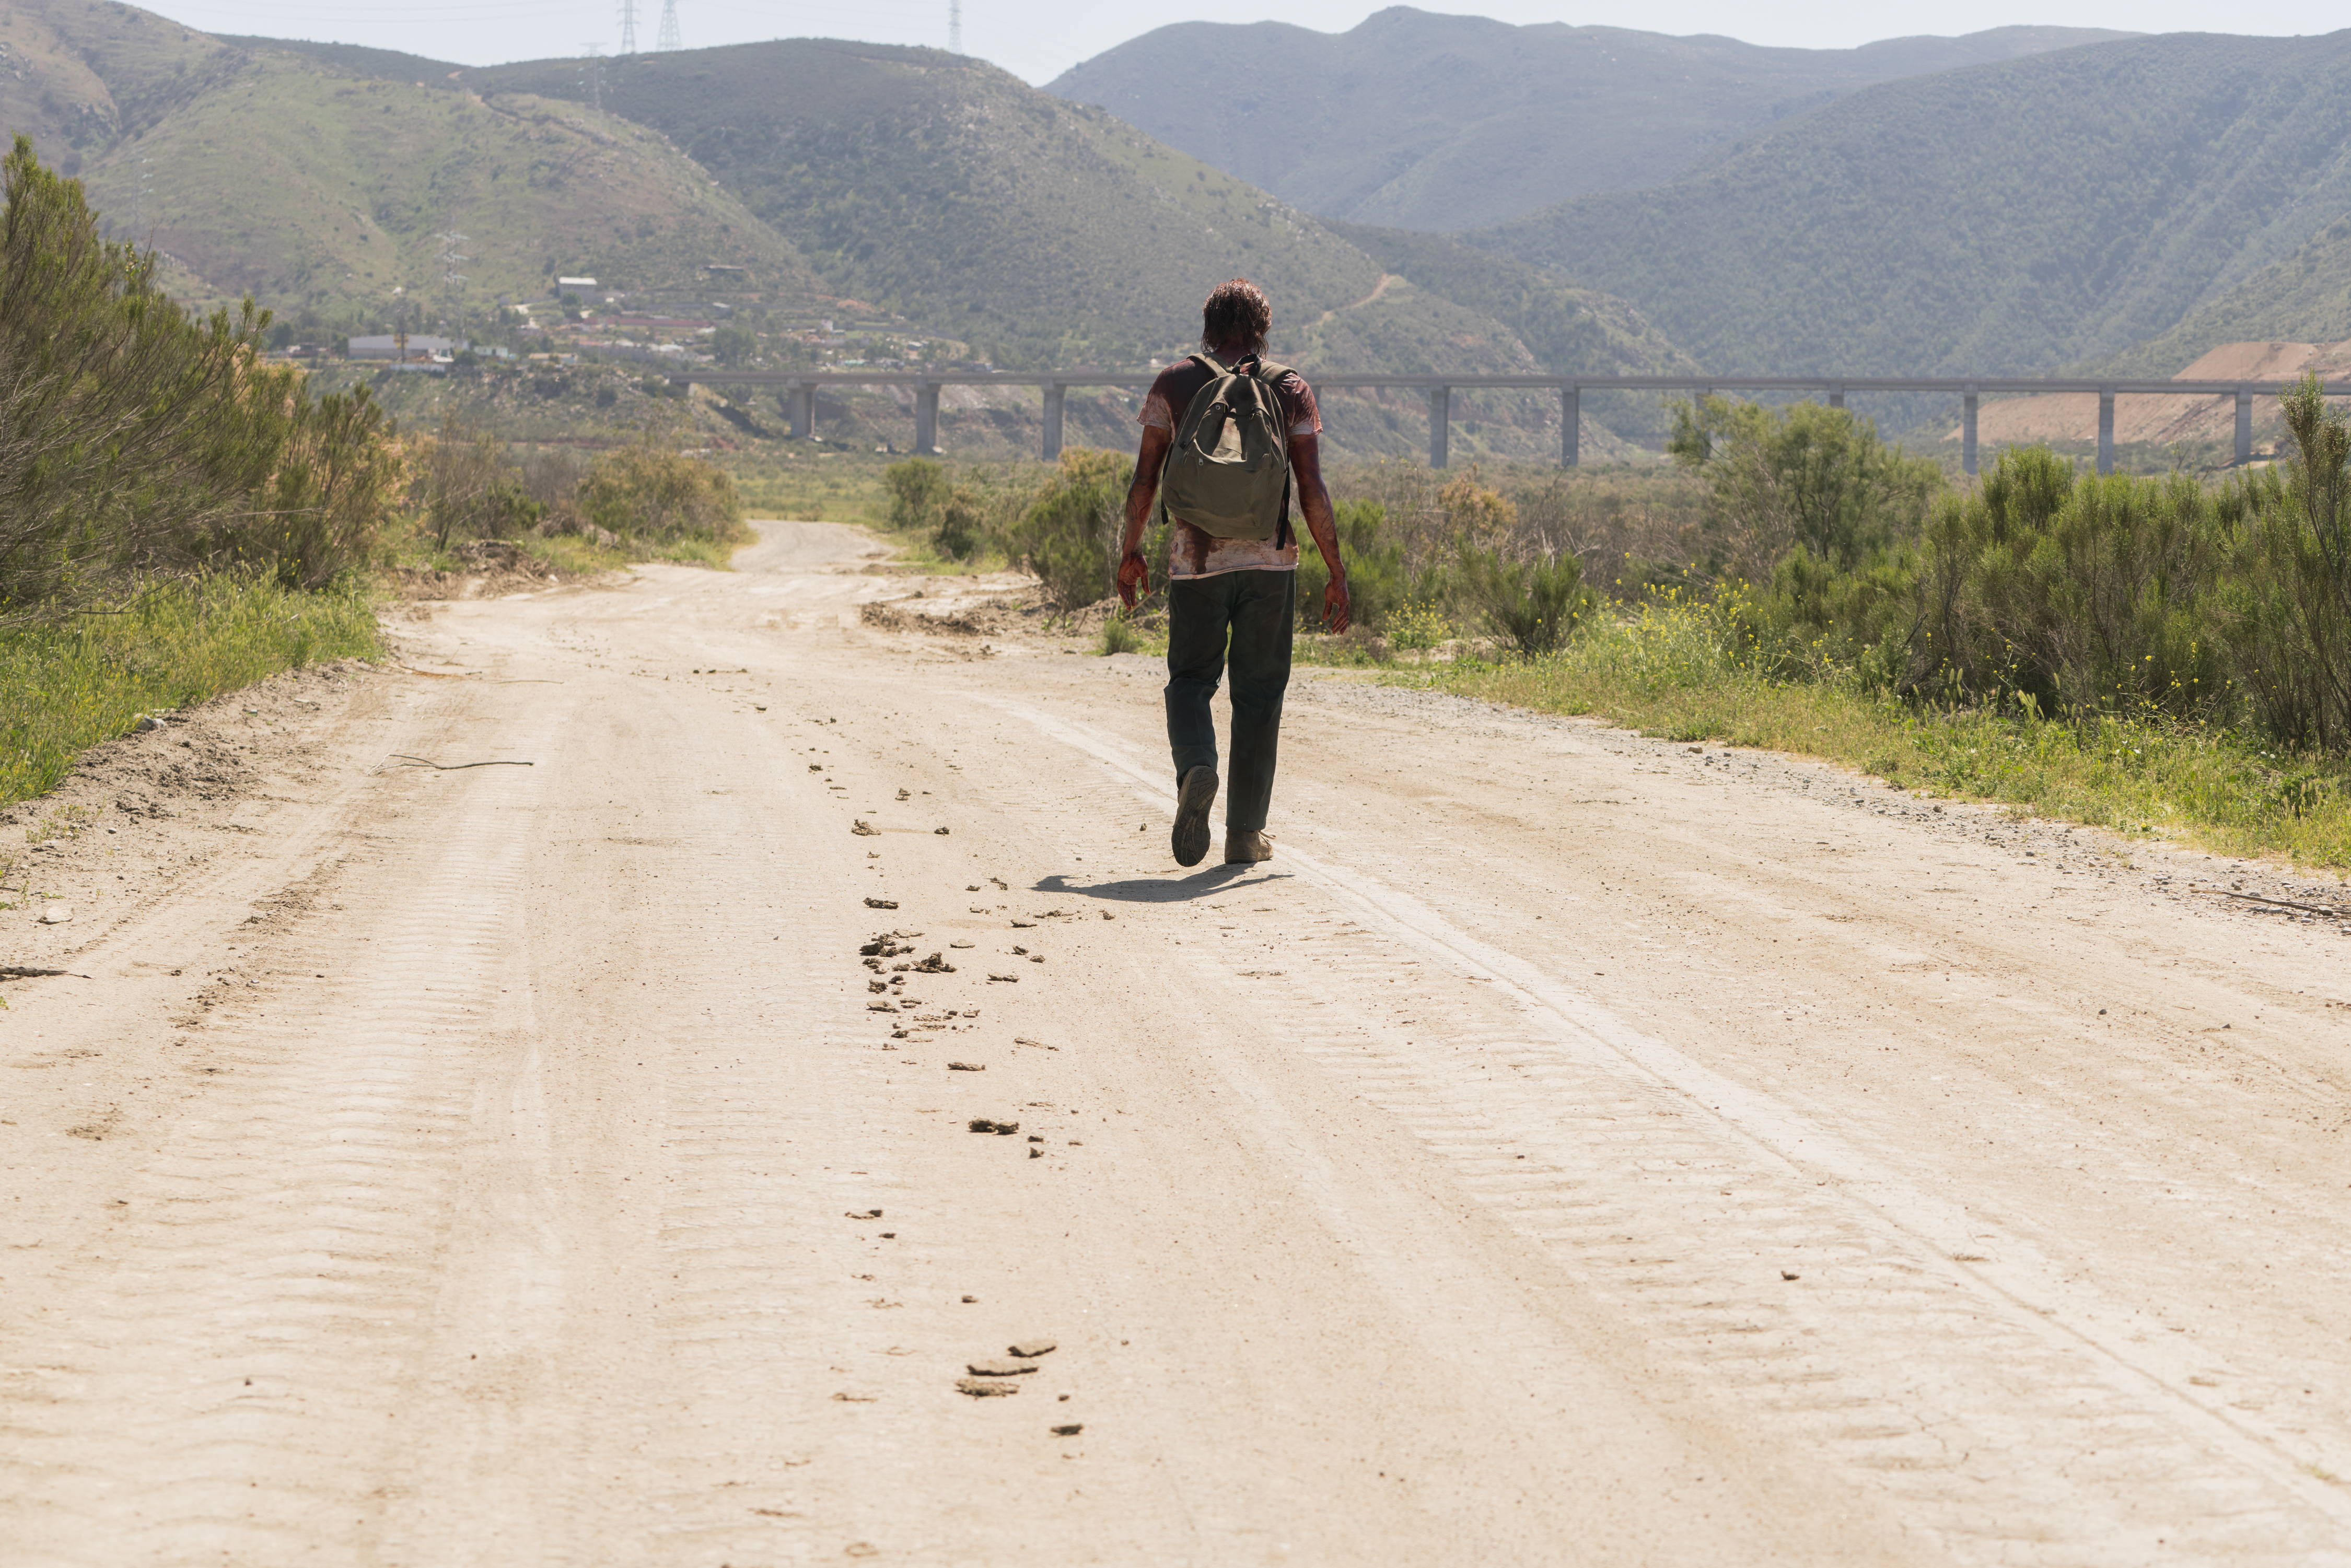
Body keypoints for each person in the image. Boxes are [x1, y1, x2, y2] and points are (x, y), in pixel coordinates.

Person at [1116, 278, 1351, 869]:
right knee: (1260, 694)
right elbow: (1312, 488)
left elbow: (1145, 479)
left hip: (1196, 561)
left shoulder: (1175, 381)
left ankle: (1197, 764)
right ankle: (1245, 834)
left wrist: (1132, 549)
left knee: (1191, 681)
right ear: (1262, 330)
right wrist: (1336, 570)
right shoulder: (1290, 387)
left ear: (1208, 326)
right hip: (1271, 561)